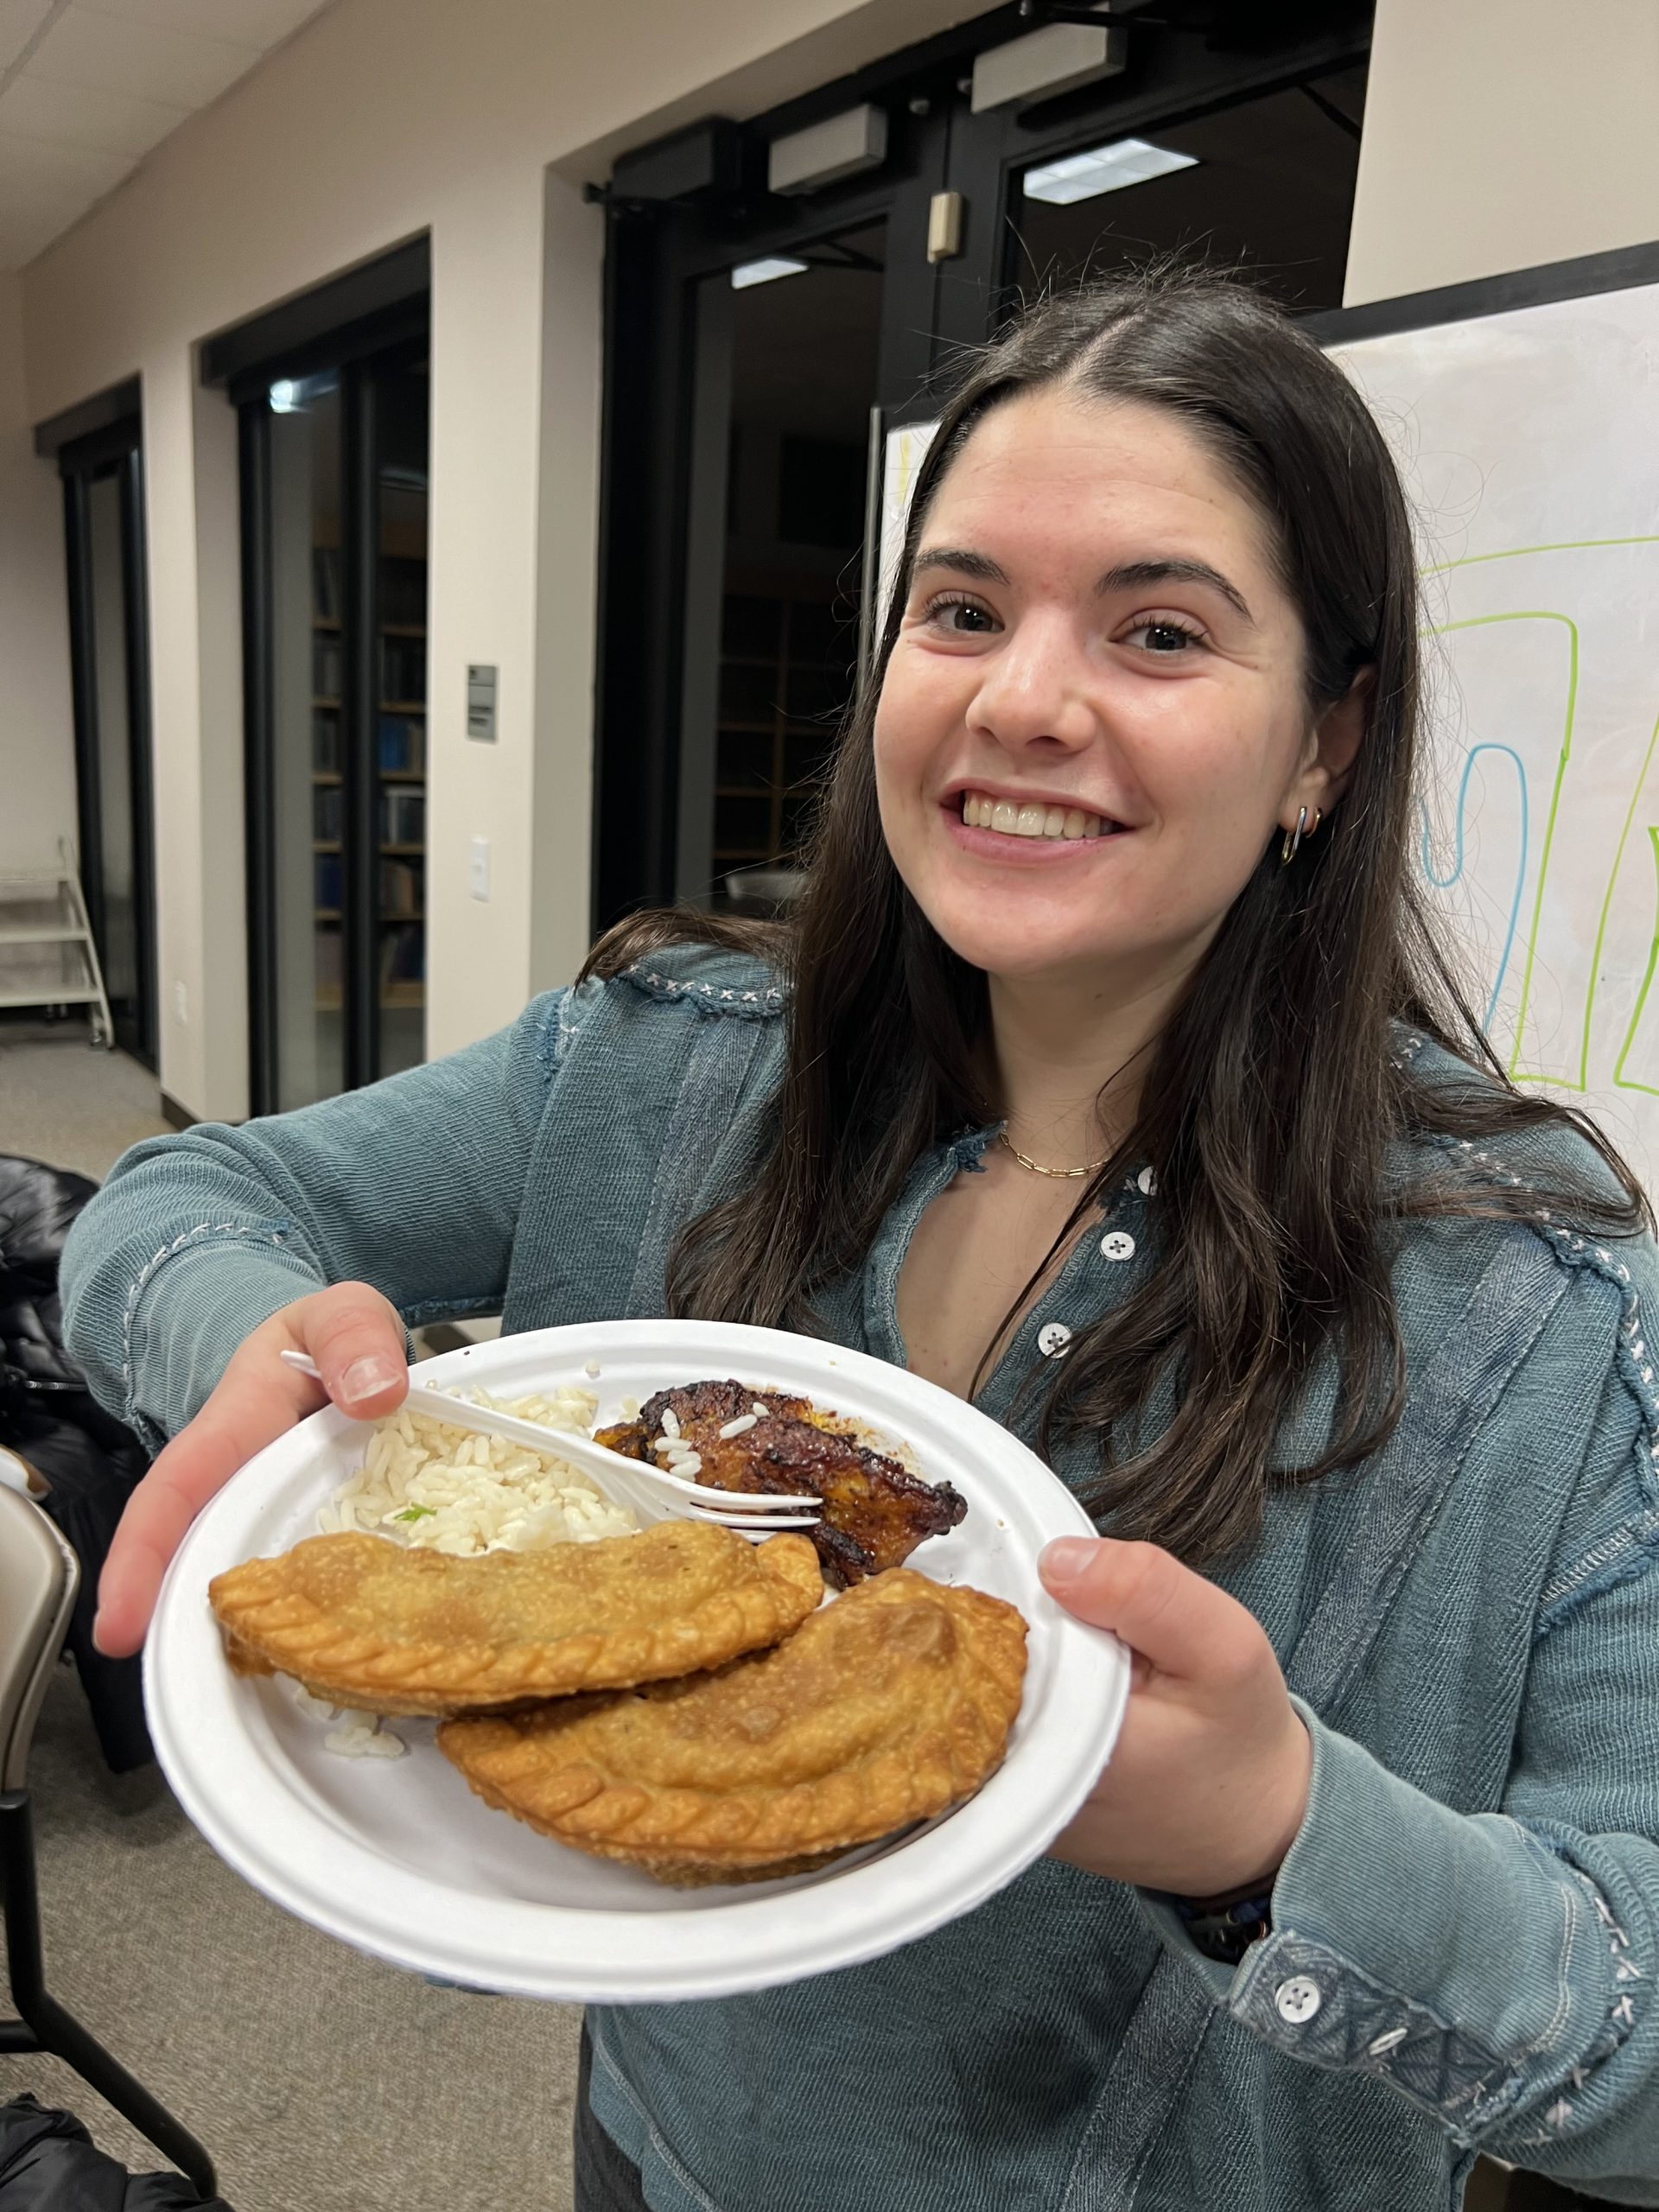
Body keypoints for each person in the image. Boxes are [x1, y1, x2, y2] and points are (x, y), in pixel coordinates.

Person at [60, 267, 1659, 2212]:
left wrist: (1276, 1829)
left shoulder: (1547, 1310)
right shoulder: (663, 1062)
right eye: (963, 608)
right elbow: (178, 1198)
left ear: (1327, 743)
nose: (1022, 698)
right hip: (654, 2149)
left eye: (1158, 629)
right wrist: (243, 1334)